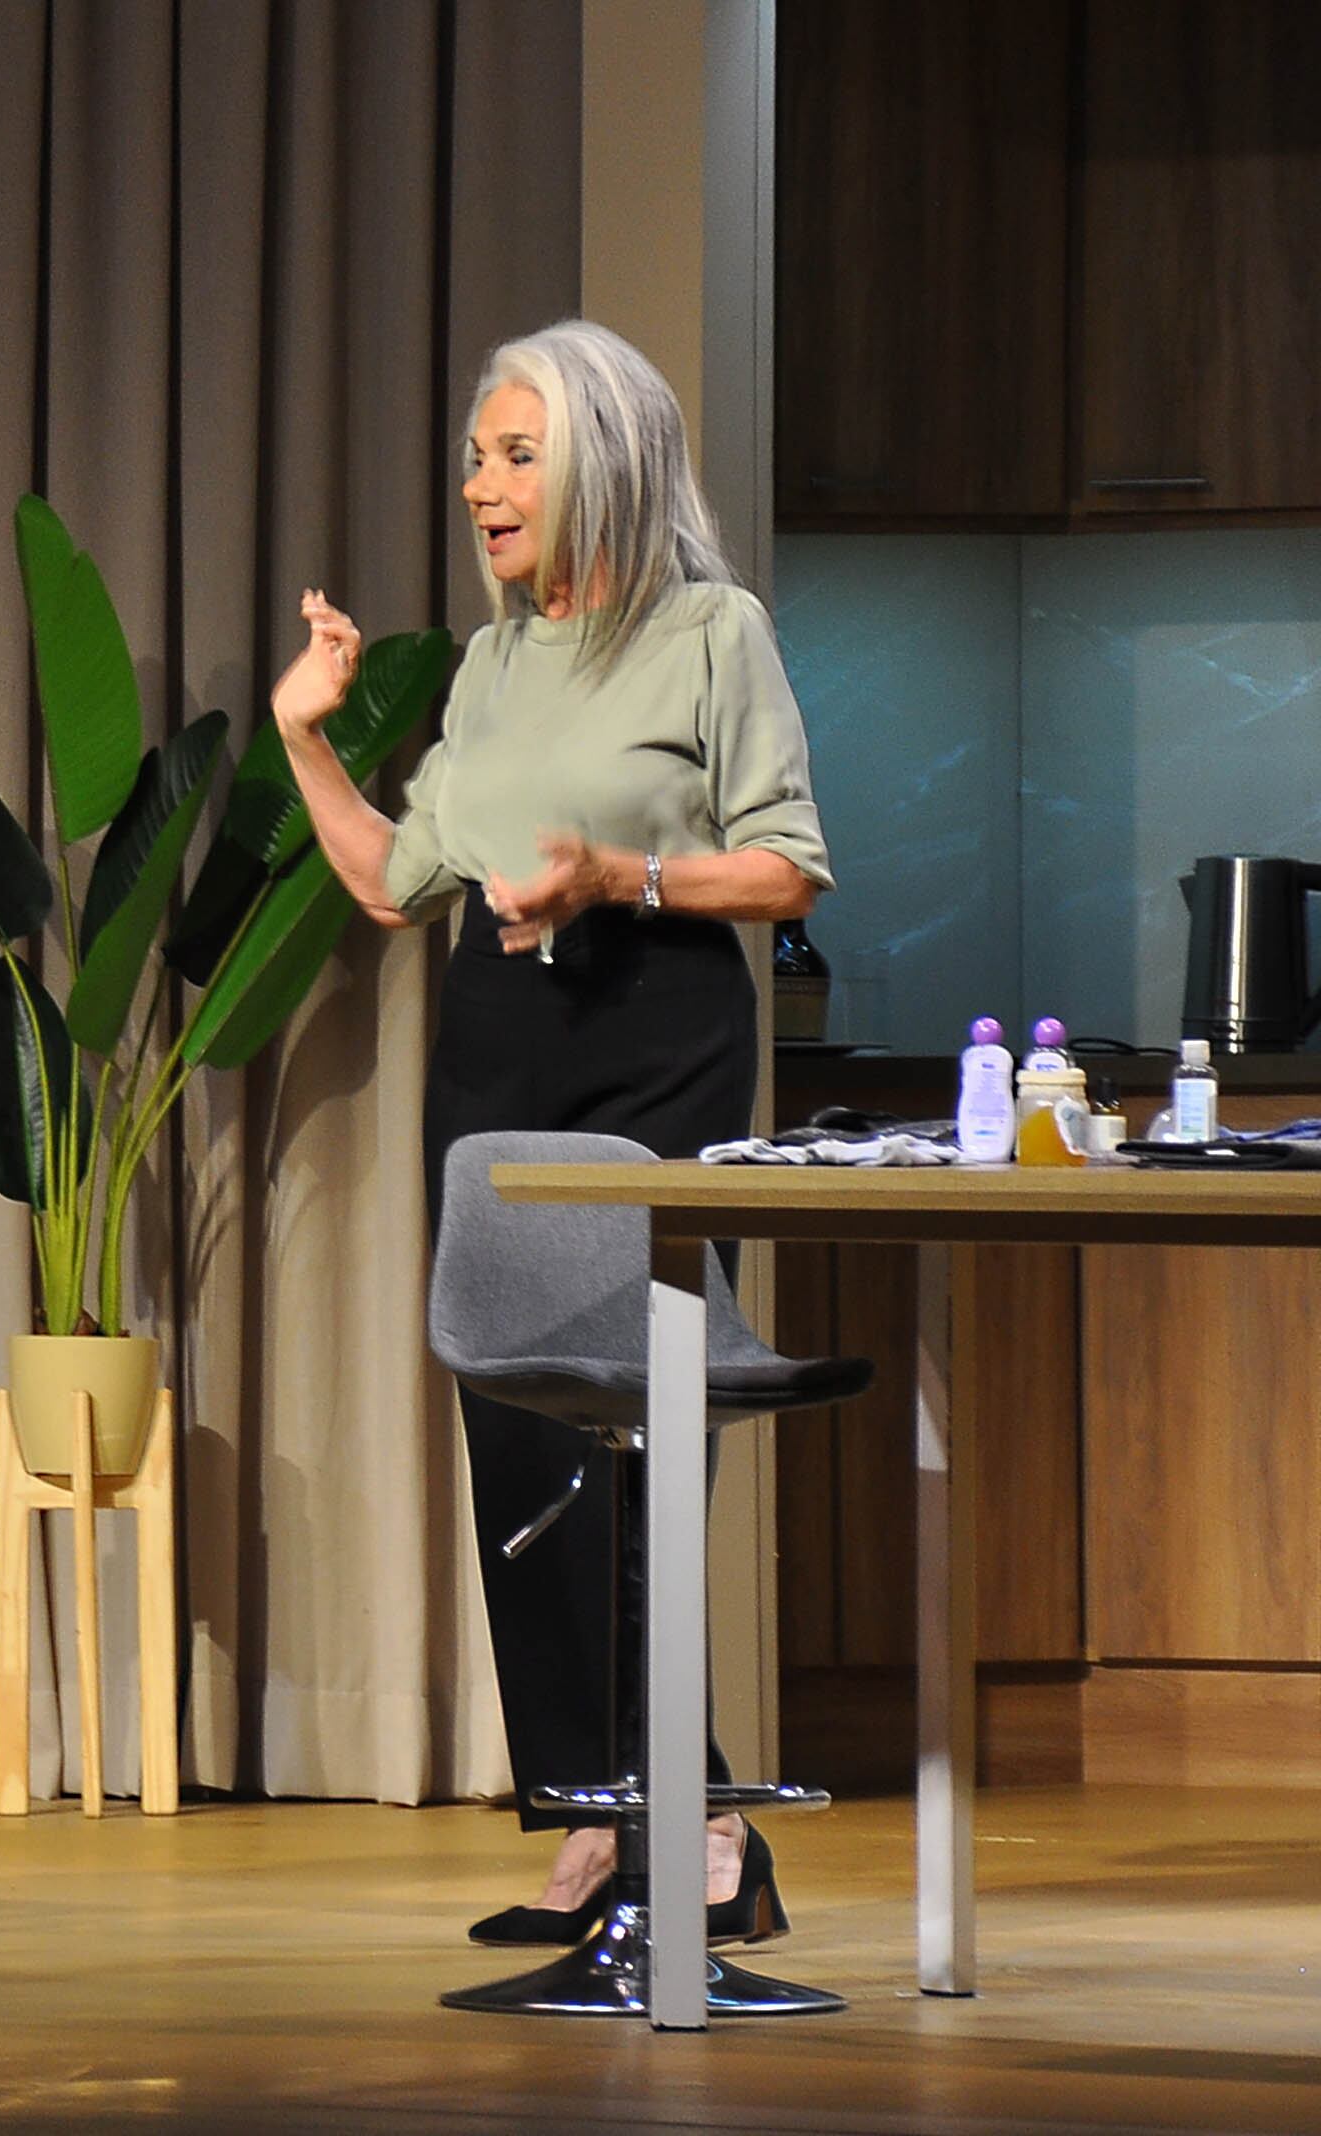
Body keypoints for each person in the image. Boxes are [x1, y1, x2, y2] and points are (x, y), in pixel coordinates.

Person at [269, 320, 834, 1948]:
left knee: (640, 1437)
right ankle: (612, 1823)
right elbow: (389, 881)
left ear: (605, 459)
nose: (482, 485)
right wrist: (310, 731)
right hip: (498, 1055)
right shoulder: (492, 664)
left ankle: (696, 1828)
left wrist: (617, 878)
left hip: (655, 1047)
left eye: (517, 453)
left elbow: (787, 869)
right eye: (476, 457)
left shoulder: (713, 635)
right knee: (520, 1439)